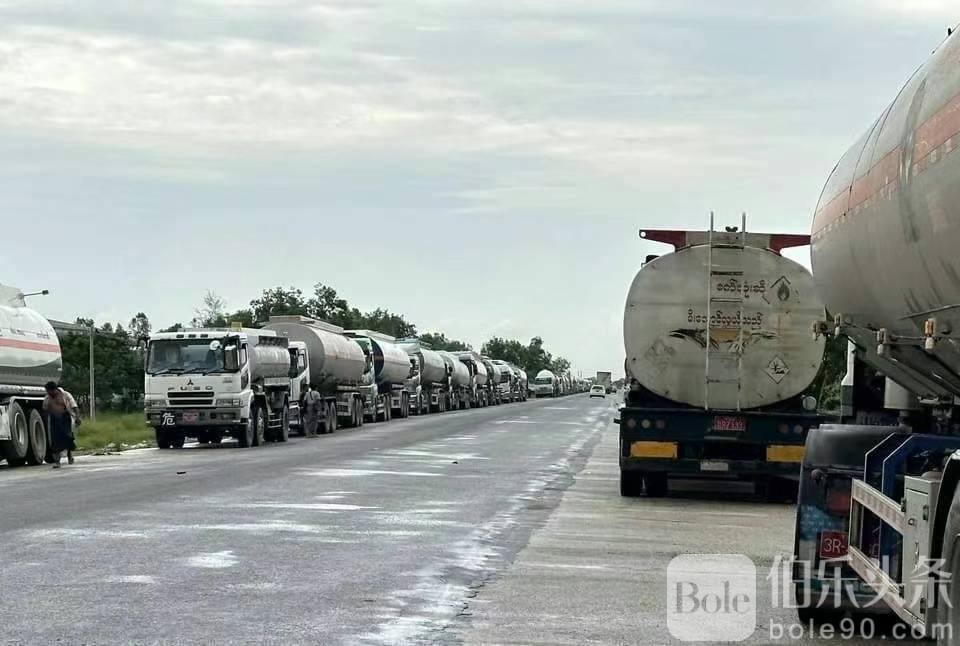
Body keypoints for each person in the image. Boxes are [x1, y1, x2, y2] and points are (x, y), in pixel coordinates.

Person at [43, 381, 80, 468]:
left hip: (65, 418)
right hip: (54, 420)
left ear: (54, 389)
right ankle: (57, 462)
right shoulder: (47, 398)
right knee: (55, 441)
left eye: (49, 391)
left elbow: (74, 406)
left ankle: (69, 455)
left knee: (68, 438)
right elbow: (44, 409)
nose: (48, 393)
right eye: (47, 391)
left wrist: (77, 417)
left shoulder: (65, 395)